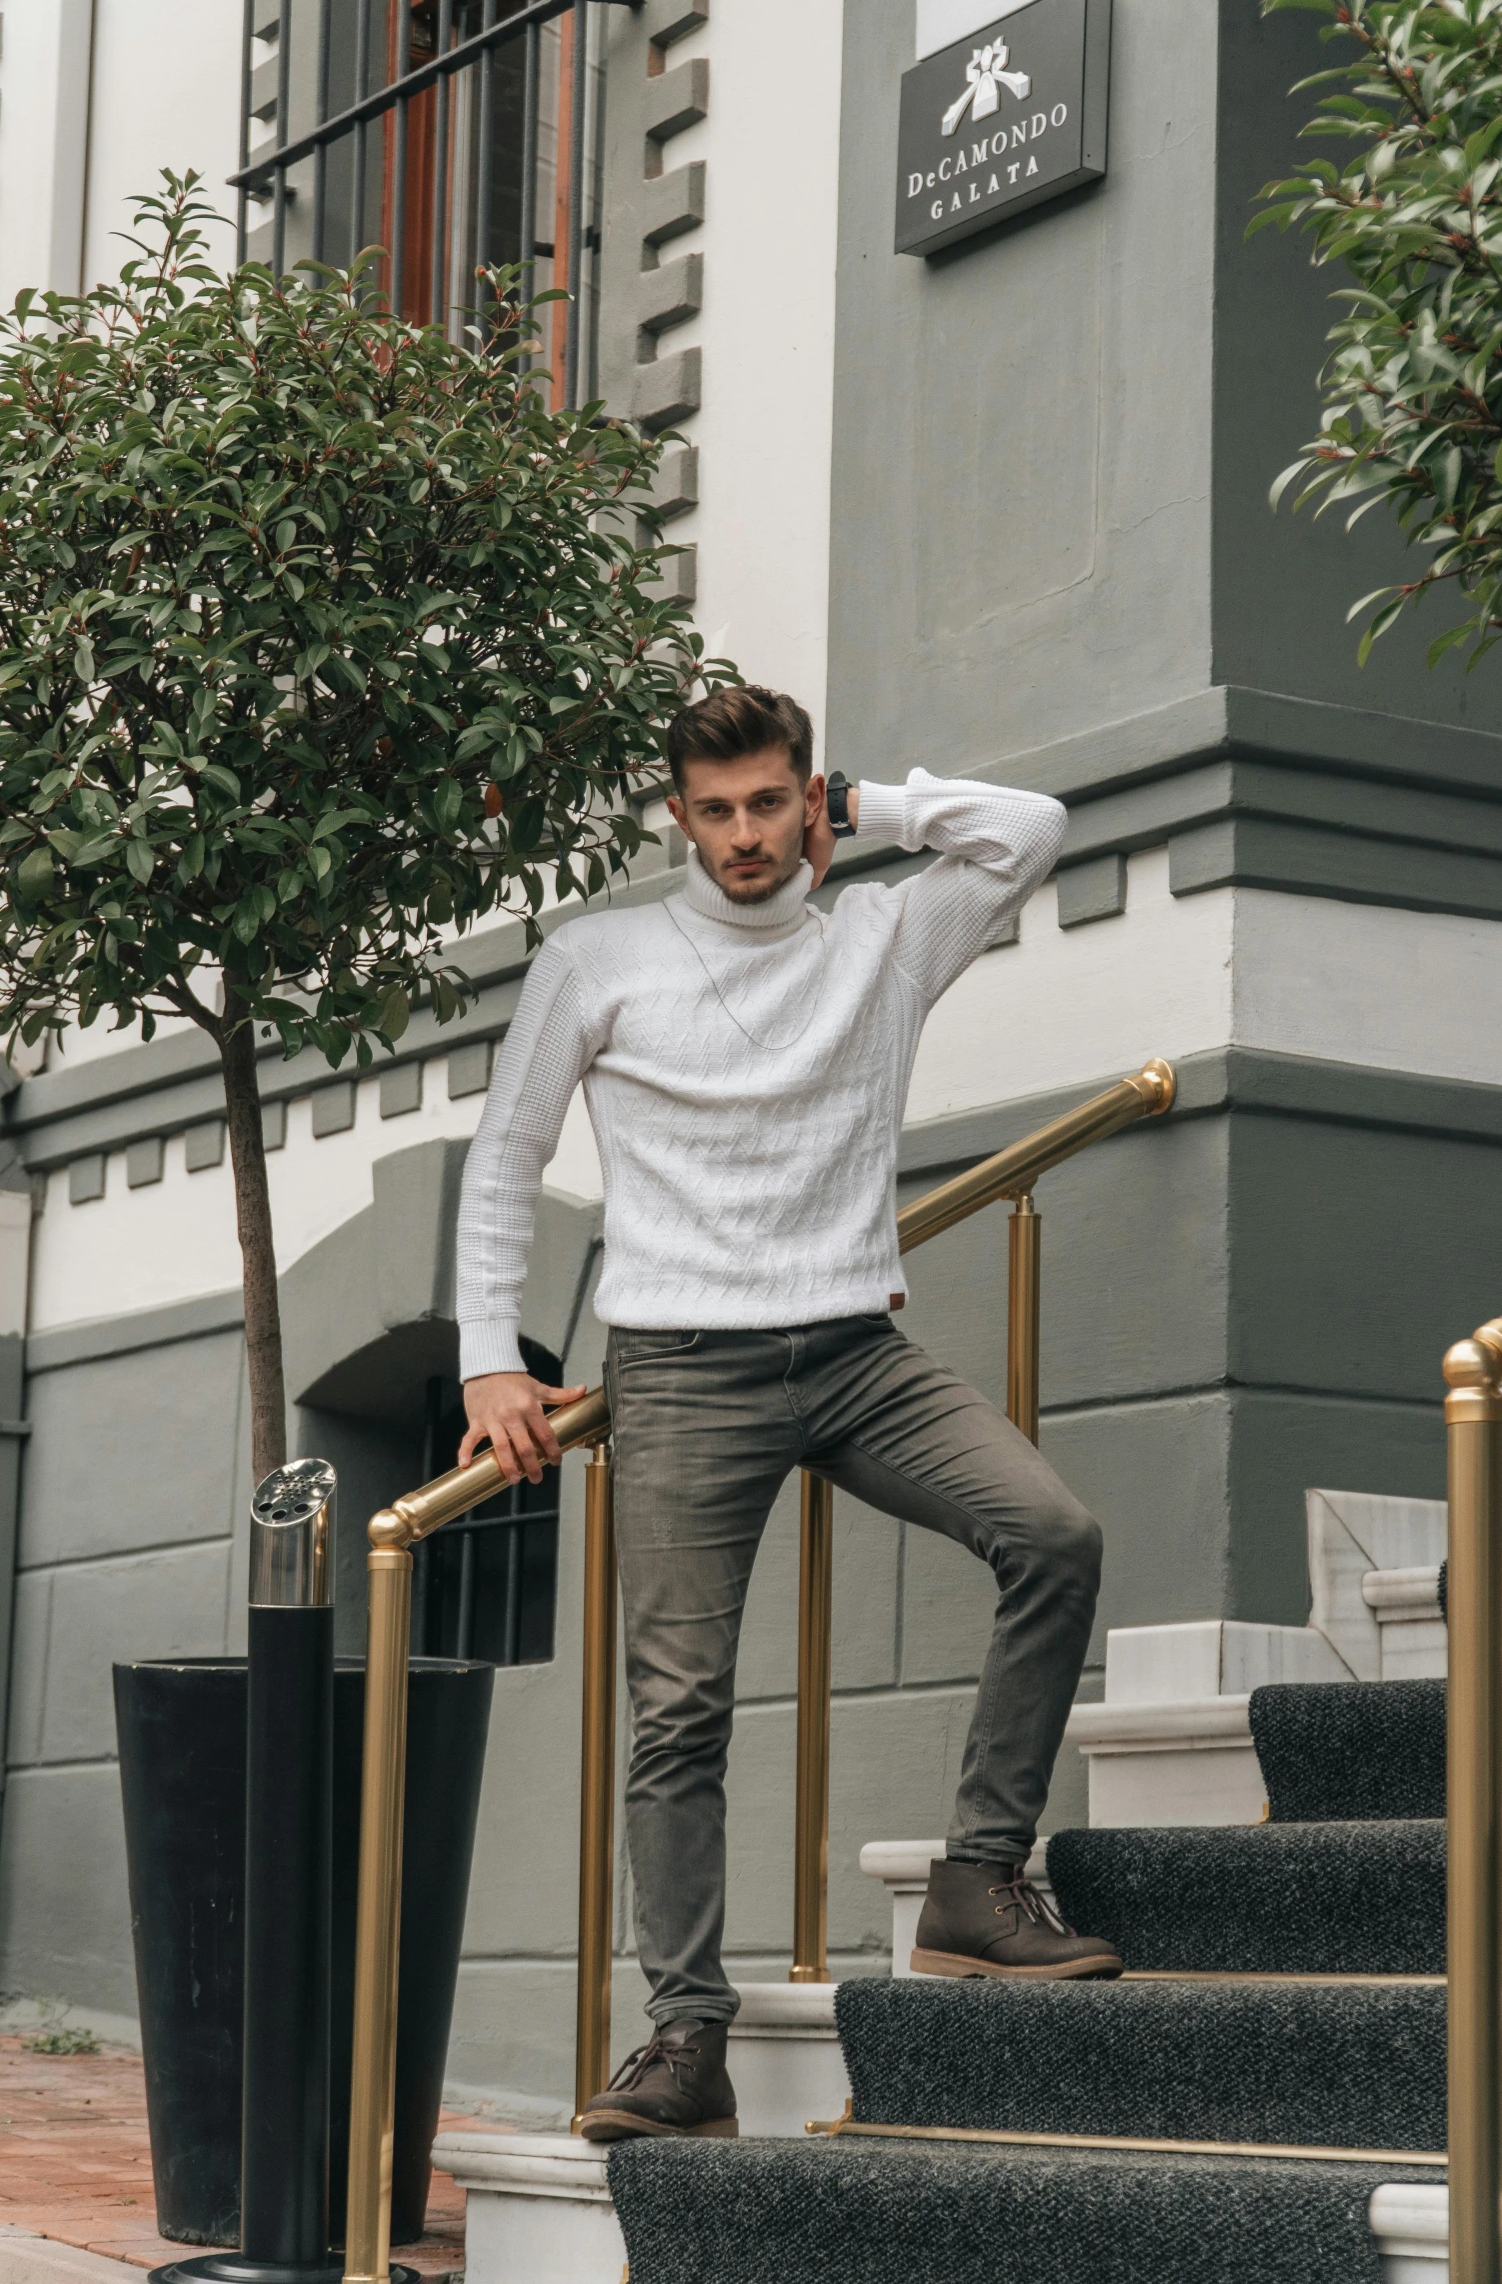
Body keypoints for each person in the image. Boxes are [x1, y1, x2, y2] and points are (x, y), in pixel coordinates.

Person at [455, 684, 1121, 2145]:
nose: (745, 834)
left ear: (803, 797)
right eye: (717, 809)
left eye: (771, 802)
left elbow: (1031, 829)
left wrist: (874, 811)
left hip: (850, 1347)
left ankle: (974, 1879)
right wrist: (488, 1358)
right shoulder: (603, 956)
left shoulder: (882, 936)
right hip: (680, 1362)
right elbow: (505, 1154)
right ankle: (685, 2033)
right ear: (677, 815)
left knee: (1051, 1532)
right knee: (678, 1708)